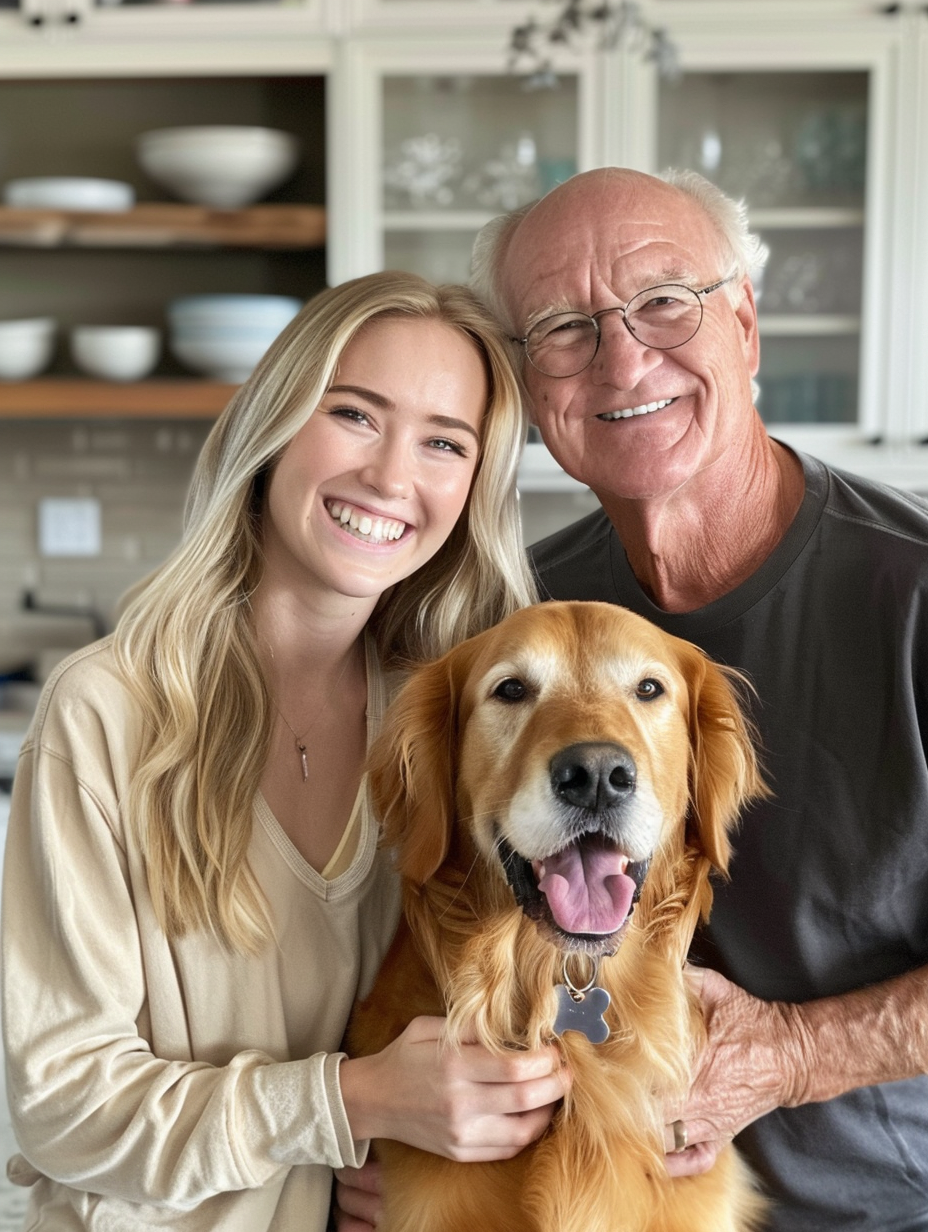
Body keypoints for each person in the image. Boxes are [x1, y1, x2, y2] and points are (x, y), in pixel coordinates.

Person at [0, 270, 569, 1232]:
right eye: (353, 414)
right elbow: (65, 1107)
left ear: (473, 485)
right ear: (274, 424)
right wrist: (355, 1106)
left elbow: (514, 1006)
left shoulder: (449, 730)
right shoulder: (106, 713)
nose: (392, 477)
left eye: (443, 442)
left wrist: (427, 1153)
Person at [464, 166, 928, 1230]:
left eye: (665, 300)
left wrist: (798, 1051)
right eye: (565, 326)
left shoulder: (911, 595)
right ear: (529, 382)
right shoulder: (514, 627)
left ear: (747, 326)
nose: (622, 355)